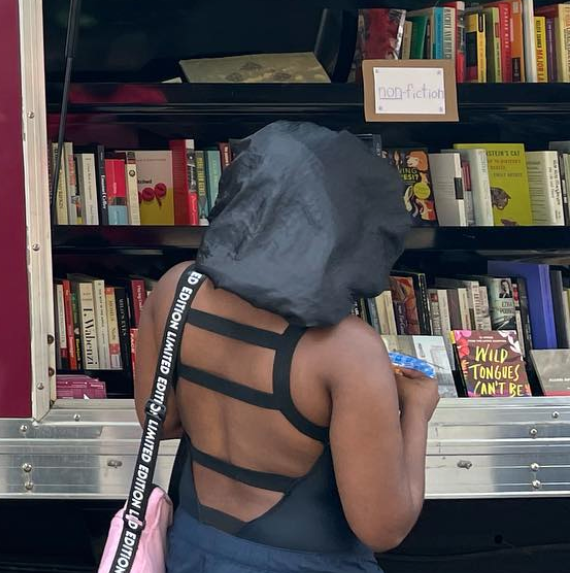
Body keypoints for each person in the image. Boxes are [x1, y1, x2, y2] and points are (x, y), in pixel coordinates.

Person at [133, 122, 440, 573]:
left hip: (194, 550)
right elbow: (383, 528)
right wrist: (415, 411)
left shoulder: (176, 290)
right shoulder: (346, 349)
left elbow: (161, 422)